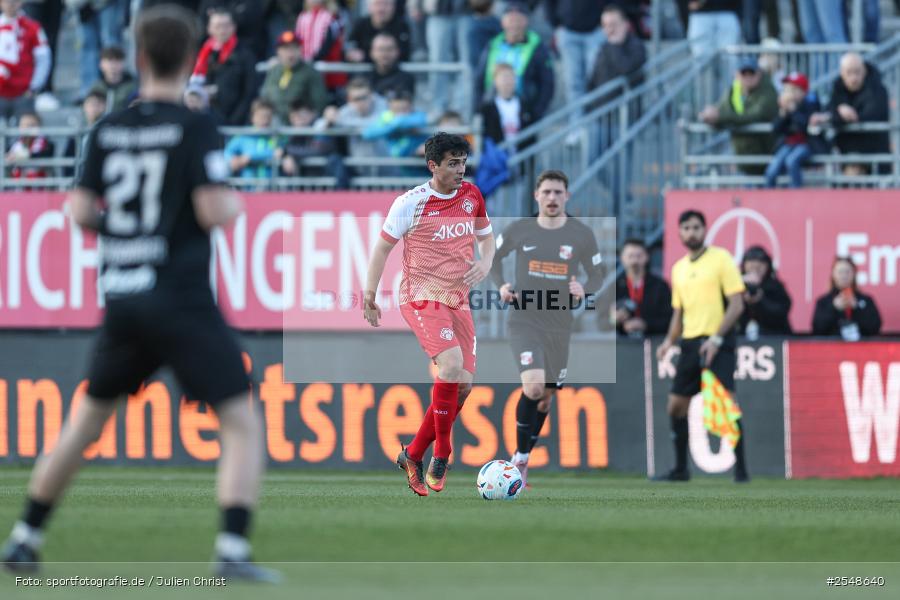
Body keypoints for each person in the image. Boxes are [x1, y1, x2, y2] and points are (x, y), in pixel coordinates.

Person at [1, 4, 276, 582]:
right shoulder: (195, 126)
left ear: (139, 57)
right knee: (241, 419)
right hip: (181, 297)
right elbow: (212, 209)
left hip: (124, 296)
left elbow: (79, 211)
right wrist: (231, 206)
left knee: (84, 424)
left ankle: (24, 538)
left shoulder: (108, 128)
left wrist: (128, 235)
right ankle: (232, 550)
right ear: (191, 59)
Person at [363, 132, 495, 496]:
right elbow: (381, 249)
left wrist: (486, 262)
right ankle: (443, 453)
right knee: (450, 367)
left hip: (458, 300)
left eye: (463, 162)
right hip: (421, 297)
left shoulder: (472, 195)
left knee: (462, 386)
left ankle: (413, 454)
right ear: (432, 166)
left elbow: (487, 237)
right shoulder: (411, 203)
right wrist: (369, 295)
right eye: (453, 163)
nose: (460, 170)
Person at [490, 169, 605, 486]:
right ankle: (519, 459)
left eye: (558, 192)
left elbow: (597, 274)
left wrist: (584, 288)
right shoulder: (520, 229)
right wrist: (502, 285)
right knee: (534, 387)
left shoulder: (581, 234)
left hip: (559, 323)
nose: (552, 197)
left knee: (545, 398)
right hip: (524, 319)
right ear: (536, 196)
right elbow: (493, 258)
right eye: (547, 192)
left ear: (567, 196)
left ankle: (523, 456)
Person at [655, 209, 749, 483]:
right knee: (675, 406)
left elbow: (737, 304)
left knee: (727, 404)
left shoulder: (721, 259)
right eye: (686, 228)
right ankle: (680, 469)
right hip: (690, 342)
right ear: (679, 233)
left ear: (705, 230)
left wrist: (717, 338)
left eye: (696, 227)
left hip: (718, 341)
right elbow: (678, 312)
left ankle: (741, 470)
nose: (691, 232)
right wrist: (668, 341)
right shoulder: (679, 268)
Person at [810, 53, 890, 175]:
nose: (853, 78)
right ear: (842, 73)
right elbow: (830, 110)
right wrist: (840, 111)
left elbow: (869, 116)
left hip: (873, 155)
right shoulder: (838, 87)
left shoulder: (877, 89)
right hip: (846, 154)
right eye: (849, 72)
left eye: (857, 72)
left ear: (864, 70)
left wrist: (845, 115)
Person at [698, 57, 778, 176]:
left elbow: (753, 115)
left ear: (759, 74)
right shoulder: (735, 89)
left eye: (751, 73)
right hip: (745, 159)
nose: (748, 77)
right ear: (736, 75)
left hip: (767, 157)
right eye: (744, 73)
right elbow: (723, 110)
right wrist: (710, 116)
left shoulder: (768, 92)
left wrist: (719, 116)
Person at [475, 2, 554, 120]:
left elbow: (547, 84)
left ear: (526, 21)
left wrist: (536, 113)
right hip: (493, 110)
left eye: (518, 20)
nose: (514, 25)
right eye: (511, 20)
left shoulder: (536, 46)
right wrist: (479, 108)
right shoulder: (493, 44)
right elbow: (479, 79)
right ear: (503, 22)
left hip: (524, 112)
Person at [191, 6, 257, 125]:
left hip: (235, 121)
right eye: (217, 26)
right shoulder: (202, 55)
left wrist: (234, 121)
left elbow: (249, 92)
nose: (222, 31)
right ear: (209, 29)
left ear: (233, 27)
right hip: (206, 119)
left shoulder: (245, 55)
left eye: (226, 26)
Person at [411, 0, 472, 115]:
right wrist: (416, 4)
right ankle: (438, 106)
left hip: (466, 11)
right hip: (438, 12)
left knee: (466, 62)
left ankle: (461, 108)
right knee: (437, 61)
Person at [547, 0, 604, 120]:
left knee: (595, 80)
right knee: (573, 82)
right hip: (568, 32)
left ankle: (594, 121)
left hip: (595, 31)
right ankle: (576, 124)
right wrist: (556, 23)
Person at [764, 72, 819, 189]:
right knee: (771, 170)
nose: (789, 93)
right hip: (788, 145)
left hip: (806, 145)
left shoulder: (811, 104)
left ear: (803, 92)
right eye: (787, 89)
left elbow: (805, 127)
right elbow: (776, 129)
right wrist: (783, 114)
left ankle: (796, 194)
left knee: (792, 161)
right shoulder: (785, 107)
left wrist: (793, 110)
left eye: (794, 89)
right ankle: (768, 196)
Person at [260, 29, 328, 122]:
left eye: (294, 48)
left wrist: (309, 115)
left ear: (300, 49)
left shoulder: (311, 72)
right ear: (278, 51)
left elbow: (320, 103)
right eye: (286, 49)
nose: (290, 54)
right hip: (274, 123)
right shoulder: (274, 71)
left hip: (301, 125)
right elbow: (264, 98)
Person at [0, 0, 51, 121]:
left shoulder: (32, 27)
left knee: (26, 129)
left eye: (14, 1)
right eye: (7, 1)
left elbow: (43, 59)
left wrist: (34, 87)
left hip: (23, 93)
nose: (11, 4)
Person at [588, 3, 646, 109]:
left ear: (626, 24)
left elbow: (626, 69)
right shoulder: (604, 47)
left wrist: (615, 46)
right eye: (605, 25)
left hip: (625, 112)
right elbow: (594, 79)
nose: (609, 30)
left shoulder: (636, 46)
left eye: (613, 24)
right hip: (601, 110)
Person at [280, 100, 348, 188]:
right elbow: (279, 150)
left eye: (301, 115)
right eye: (294, 116)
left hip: (324, 182)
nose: (297, 119)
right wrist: (286, 156)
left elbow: (318, 150)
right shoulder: (290, 133)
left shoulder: (321, 126)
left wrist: (287, 152)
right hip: (304, 184)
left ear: (313, 114)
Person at [613, 238, 672, 338]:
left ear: (647, 257)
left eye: (639, 256)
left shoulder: (660, 286)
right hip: (621, 343)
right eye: (630, 256)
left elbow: (669, 320)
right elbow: (601, 322)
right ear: (622, 258)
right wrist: (613, 319)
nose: (635, 261)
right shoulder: (615, 287)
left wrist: (646, 324)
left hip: (654, 341)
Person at [812, 257, 881, 340]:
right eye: (840, 272)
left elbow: (875, 328)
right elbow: (818, 329)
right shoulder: (823, 302)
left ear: (854, 274)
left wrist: (857, 308)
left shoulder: (866, 300)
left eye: (847, 272)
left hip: (860, 346)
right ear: (833, 274)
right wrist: (833, 308)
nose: (844, 276)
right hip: (832, 346)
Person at [73, 0, 127, 98]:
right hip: (82, 4)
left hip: (109, 3)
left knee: (110, 43)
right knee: (87, 45)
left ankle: (115, 90)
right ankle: (91, 92)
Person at [224, 98, 284, 184]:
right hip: (248, 188)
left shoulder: (276, 137)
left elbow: (279, 152)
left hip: (270, 188)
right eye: (261, 116)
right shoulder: (243, 136)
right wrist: (233, 160)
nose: (265, 120)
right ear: (252, 117)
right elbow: (227, 152)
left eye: (268, 117)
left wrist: (248, 157)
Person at [738, 245, 792, 339]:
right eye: (751, 262)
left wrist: (760, 300)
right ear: (744, 265)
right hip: (740, 338)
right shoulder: (736, 286)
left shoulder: (776, 287)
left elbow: (781, 313)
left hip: (773, 338)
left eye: (761, 262)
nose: (755, 266)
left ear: (768, 266)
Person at [294, 0, 346, 95]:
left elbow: (329, 44)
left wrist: (312, 61)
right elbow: (297, 41)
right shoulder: (302, 17)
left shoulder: (332, 17)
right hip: (306, 68)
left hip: (328, 71)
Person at [480, 62, 535, 149]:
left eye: (511, 77)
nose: (508, 81)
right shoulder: (487, 108)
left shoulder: (525, 105)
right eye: (504, 78)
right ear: (495, 80)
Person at [346, 0, 410, 63]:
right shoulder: (360, 25)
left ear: (393, 6)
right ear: (369, 7)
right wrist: (352, 52)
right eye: (377, 4)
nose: (381, 9)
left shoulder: (404, 26)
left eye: (386, 4)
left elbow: (407, 52)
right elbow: (349, 45)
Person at [5, 110, 53, 182]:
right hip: (17, 185)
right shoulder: (14, 144)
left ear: (39, 126)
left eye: (30, 125)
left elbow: (43, 156)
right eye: (23, 125)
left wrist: (23, 156)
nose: (26, 128)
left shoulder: (47, 145)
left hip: (39, 184)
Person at [88, 46, 138, 112]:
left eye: (117, 60)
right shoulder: (96, 88)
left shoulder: (134, 88)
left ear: (124, 63)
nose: (113, 65)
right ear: (101, 64)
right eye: (109, 60)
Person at [367, 32, 414, 99]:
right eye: (380, 49)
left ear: (397, 51)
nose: (385, 53)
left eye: (389, 49)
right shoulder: (364, 78)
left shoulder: (406, 79)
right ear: (372, 52)